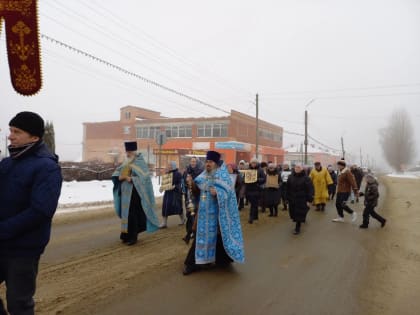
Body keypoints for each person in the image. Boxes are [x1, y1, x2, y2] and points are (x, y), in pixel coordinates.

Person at [0, 111, 62, 315]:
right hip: (2, 242)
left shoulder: (47, 167)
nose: (10, 135)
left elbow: (41, 211)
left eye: (17, 131)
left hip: (24, 248)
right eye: (10, 130)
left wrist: (3, 230)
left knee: (19, 303)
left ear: (34, 137)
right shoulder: (8, 163)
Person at [183, 151, 245, 275]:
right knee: (200, 238)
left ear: (216, 163)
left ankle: (222, 261)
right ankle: (192, 264)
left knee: (218, 237)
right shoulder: (203, 175)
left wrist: (218, 193)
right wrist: (191, 184)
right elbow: (196, 191)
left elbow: (229, 193)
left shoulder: (223, 176)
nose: (208, 164)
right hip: (203, 214)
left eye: (210, 162)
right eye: (206, 162)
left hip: (218, 215)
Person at [112, 141, 159, 245]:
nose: (127, 153)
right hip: (125, 192)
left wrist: (131, 178)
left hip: (135, 192)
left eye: (129, 151)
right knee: (126, 214)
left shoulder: (139, 161)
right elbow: (118, 173)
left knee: (132, 214)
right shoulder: (126, 161)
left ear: (133, 151)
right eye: (126, 151)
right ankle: (125, 235)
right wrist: (119, 177)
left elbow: (144, 178)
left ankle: (133, 237)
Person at [286, 163, 314, 235]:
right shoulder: (290, 177)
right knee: (293, 213)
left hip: (302, 199)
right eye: (296, 167)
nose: (296, 169)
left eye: (298, 167)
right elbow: (287, 188)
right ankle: (299, 221)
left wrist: (309, 200)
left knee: (299, 214)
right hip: (292, 198)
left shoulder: (306, 178)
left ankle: (297, 228)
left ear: (302, 169)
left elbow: (310, 189)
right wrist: (286, 198)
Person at [182, 157, 204, 244]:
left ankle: (192, 234)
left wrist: (193, 182)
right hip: (188, 195)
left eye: (194, 161)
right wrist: (186, 181)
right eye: (191, 161)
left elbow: (201, 184)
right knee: (189, 214)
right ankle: (189, 232)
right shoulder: (187, 170)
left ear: (197, 162)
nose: (193, 163)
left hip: (197, 196)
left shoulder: (200, 171)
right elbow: (183, 180)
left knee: (194, 214)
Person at [159, 161, 185, 228]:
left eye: (170, 165)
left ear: (173, 166)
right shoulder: (167, 174)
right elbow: (164, 183)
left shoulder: (178, 174)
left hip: (175, 193)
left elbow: (181, 183)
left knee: (178, 207)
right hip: (167, 193)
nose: (169, 166)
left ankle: (183, 220)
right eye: (168, 165)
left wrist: (176, 186)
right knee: (165, 207)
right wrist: (162, 187)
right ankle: (164, 223)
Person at [245, 158, 266, 223]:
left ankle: (251, 217)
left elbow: (264, 179)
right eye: (252, 163)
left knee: (253, 204)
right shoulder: (248, 170)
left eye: (254, 163)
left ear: (257, 163)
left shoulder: (260, 170)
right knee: (254, 204)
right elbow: (244, 178)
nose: (253, 164)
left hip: (257, 189)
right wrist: (246, 180)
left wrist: (256, 179)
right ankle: (256, 216)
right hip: (249, 189)